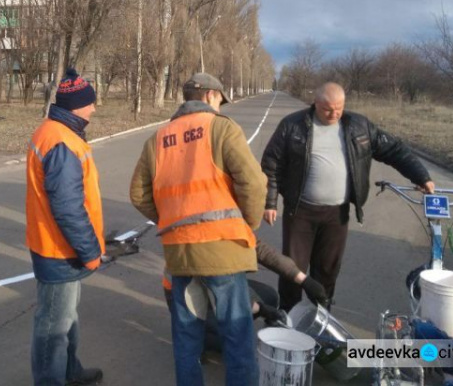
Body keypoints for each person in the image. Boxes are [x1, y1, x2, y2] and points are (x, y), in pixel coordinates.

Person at [130, 72, 266, 386]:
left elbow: (138, 194)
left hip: (180, 254)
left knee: (187, 336)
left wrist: (170, 220)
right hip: (223, 249)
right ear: (208, 96)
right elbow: (254, 182)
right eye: (220, 100)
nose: (221, 107)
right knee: (237, 335)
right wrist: (248, 223)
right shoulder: (221, 128)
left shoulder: (158, 138)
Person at [261, 82, 435, 312]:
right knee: (293, 269)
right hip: (300, 212)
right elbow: (271, 164)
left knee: (327, 270)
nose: (334, 114)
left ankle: (321, 318)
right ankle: (288, 317)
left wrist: (420, 176)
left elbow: (393, 150)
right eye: (327, 109)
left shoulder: (359, 126)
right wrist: (270, 202)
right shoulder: (292, 126)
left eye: (339, 108)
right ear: (316, 103)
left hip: (337, 214)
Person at [26, 69, 105, 386]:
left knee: (66, 317)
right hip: (58, 250)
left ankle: (70, 372)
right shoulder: (60, 142)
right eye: (91, 103)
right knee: (53, 327)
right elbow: (68, 208)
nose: (95, 108)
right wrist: (89, 252)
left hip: (57, 247)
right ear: (77, 105)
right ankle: (52, 380)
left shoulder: (58, 132)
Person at [161, 239, 329, 352]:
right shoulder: (207, 238)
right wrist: (261, 309)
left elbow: (265, 253)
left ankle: (355, 357)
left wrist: (304, 281)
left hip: (217, 284)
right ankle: (195, 338)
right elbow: (222, 286)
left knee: (269, 296)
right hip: (186, 296)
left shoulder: (230, 221)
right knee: (237, 343)